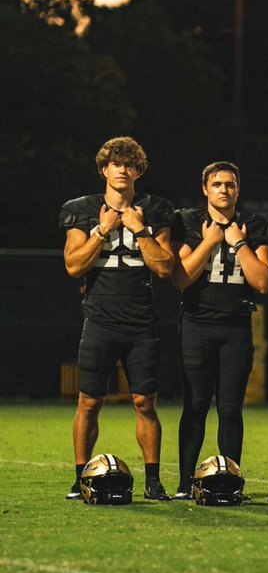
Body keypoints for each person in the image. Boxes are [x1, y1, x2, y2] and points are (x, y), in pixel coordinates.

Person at [61, 136, 175, 501]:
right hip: (100, 320)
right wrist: (102, 229)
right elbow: (74, 264)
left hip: (141, 323)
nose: (123, 169)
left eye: (130, 164)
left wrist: (139, 229)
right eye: (116, 163)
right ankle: (81, 479)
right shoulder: (82, 210)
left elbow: (164, 267)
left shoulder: (155, 210)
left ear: (138, 171)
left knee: (145, 403)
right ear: (104, 169)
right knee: (89, 403)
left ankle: (153, 481)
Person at [170, 161, 268, 498]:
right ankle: (186, 481)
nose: (224, 190)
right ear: (205, 189)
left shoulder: (253, 225)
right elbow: (181, 278)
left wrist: (238, 244)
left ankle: (230, 480)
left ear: (238, 189)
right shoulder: (189, 222)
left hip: (235, 327)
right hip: (197, 324)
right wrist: (210, 241)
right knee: (196, 404)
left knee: (230, 408)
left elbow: (263, 282)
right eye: (217, 184)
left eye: (230, 184)